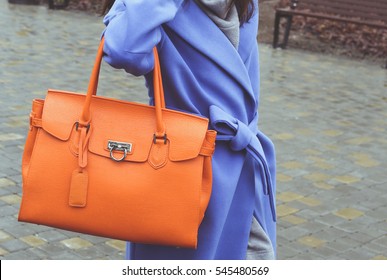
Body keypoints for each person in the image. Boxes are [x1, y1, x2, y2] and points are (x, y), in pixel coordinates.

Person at [101, 0, 276, 260]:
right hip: (179, 172)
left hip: (242, 171)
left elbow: (247, 93)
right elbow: (124, 51)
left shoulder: (245, 3)